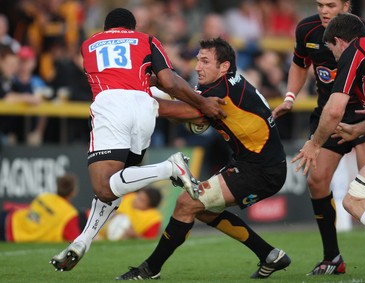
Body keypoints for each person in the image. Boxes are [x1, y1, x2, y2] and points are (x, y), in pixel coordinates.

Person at [49, 8, 226, 272]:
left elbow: (114, 77)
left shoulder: (88, 44)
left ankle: (169, 168)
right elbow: (168, 81)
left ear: (106, 27)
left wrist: (199, 106)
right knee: (117, 183)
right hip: (145, 108)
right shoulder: (146, 39)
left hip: (111, 103)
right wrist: (202, 105)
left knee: (104, 186)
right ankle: (82, 241)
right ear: (132, 28)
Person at [114, 37, 291, 280]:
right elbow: (186, 95)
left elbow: (176, 111)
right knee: (203, 210)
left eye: (205, 61)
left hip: (261, 170)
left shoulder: (221, 92)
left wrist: (134, 99)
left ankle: (150, 269)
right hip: (252, 163)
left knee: (187, 203)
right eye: (198, 60)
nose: (198, 67)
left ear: (224, 66)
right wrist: (157, 83)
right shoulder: (225, 84)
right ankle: (270, 255)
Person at [272, 0, 365, 275]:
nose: (324, 10)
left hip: (362, 113)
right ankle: (332, 257)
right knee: (317, 181)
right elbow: (300, 64)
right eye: (320, 4)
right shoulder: (306, 29)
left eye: (331, 4)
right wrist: (290, 97)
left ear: (346, 6)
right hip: (328, 116)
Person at [292, 13, 365, 283]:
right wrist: (356, 130)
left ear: (339, 41)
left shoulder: (355, 50)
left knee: (354, 200)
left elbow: (333, 110)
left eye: (331, 49)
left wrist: (314, 144)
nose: (333, 56)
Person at [0, 172, 85, 242]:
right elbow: (75, 241)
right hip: (15, 235)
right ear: (73, 192)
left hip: (9, 218)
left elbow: (30, 210)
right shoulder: (69, 214)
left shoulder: (44, 196)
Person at [98, 187, 163, 240]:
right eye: (138, 196)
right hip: (98, 229)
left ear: (149, 207)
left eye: (141, 200)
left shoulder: (153, 219)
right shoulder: (128, 196)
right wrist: (112, 214)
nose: (136, 200)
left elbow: (149, 242)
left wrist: (134, 235)